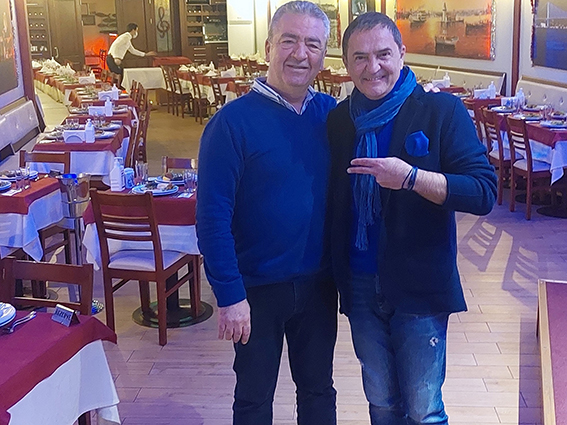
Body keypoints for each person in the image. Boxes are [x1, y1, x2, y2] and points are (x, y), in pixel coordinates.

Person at [326, 12, 497, 425]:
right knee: (382, 403)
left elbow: (483, 192)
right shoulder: (339, 121)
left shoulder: (441, 111)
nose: (373, 67)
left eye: (383, 54)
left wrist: (412, 178)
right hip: (359, 284)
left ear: (402, 53)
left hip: (420, 282)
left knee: (424, 410)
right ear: (346, 64)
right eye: (360, 57)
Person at [196, 2, 338, 424]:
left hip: (318, 284)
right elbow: (212, 218)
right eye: (289, 40)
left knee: (318, 391)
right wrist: (229, 295)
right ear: (268, 47)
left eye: (313, 44)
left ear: (323, 54)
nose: (300, 54)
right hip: (255, 289)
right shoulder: (230, 124)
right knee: (254, 399)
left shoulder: (331, 116)